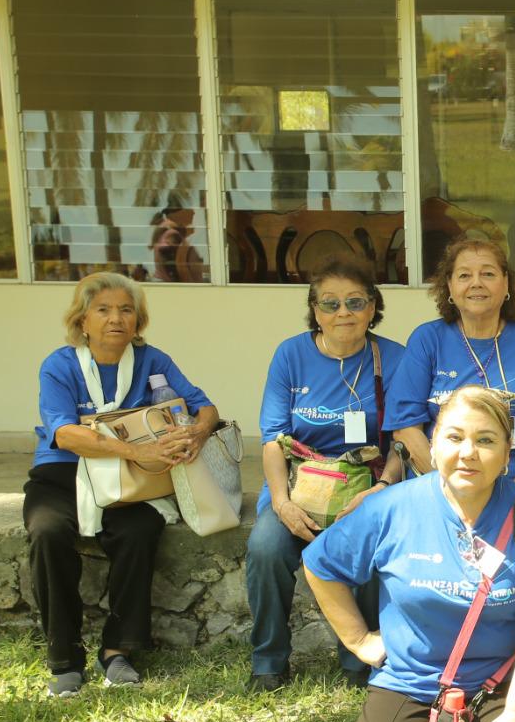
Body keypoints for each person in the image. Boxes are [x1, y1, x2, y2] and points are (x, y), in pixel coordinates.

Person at [302, 387, 515, 722]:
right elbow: (320, 563)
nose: (468, 453)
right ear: (432, 444)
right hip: (410, 677)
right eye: (454, 437)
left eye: (485, 440)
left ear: (506, 455)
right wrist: (357, 640)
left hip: (493, 682)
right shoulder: (392, 507)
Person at [23, 272, 218, 698]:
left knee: (139, 530)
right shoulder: (60, 365)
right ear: (83, 320)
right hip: (63, 473)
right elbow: (65, 434)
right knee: (49, 532)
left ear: (138, 320)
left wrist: (195, 436)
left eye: (126, 310)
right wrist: (137, 451)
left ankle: (117, 651)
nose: (117, 318)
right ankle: (65, 657)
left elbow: (205, 408)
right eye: (104, 310)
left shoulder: (153, 361)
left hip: (128, 484)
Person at [246, 256, 407, 693]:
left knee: (374, 553)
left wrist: (382, 488)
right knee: (265, 548)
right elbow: (272, 438)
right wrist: (280, 502)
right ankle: (268, 662)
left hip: (367, 485)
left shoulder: (393, 359)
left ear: (373, 307)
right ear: (314, 310)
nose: (343, 313)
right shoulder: (291, 354)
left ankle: (362, 659)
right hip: (298, 485)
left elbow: (403, 440)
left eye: (355, 302)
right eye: (330, 303)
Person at [388, 237, 515, 515]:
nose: (476, 283)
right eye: (464, 275)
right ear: (450, 287)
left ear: (506, 285)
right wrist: (448, 487)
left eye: (488, 273)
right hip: (440, 483)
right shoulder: (428, 339)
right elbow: (405, 425)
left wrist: (513, 489)